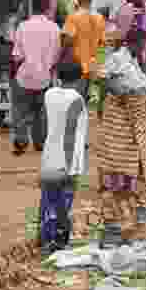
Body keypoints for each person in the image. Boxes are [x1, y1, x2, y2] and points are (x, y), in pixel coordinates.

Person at [96, 29, 146, 233]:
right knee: (125, 157)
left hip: (130, 115)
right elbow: (103, 78)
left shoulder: (133, 60)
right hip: (121, 116)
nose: (145, 48)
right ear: (134, 43)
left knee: (131, 158)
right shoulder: (119, 58)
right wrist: (115, 92)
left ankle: (132, 203)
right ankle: (121, 210)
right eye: (143, 44)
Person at [39, 61, 88, 256]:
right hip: (67, 159)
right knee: (63, 202)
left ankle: (45, 237)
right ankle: (58, 241)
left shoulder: (49, 94)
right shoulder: (76, 99)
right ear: (79, 78)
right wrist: (68, 164)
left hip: (49, 154)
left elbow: (44, 121)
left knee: (48, 199)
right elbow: (70, 133)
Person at [11, 0, 62, 155]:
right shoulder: (55, 28)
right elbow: (56, 57)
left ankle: (21, 140)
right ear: (47, 9)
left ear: (32, 8)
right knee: (42, 112)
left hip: (24, 76)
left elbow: (17, 56)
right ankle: (40, 142)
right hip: (45, 77)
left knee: (20, 110)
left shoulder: (22, 27)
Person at [64, 0, 107, 101]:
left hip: (76, 67)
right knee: (84, 103)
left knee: (74, 102)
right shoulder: (99, 18)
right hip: (92, 65)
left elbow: (68, 40)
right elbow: (102, 41)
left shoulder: (73, 17)